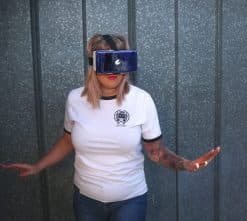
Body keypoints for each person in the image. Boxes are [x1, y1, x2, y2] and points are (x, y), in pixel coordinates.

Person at [1, 33, 220, 221]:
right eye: (106, 61)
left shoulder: (141, 100)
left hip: (130, 201)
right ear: (92, 63)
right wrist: (38, 166)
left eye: (120, 60)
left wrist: (187, 165)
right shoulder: (75, 99)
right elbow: (68, 141)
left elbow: (157, 152)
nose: (114, 69)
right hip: (86, 201)